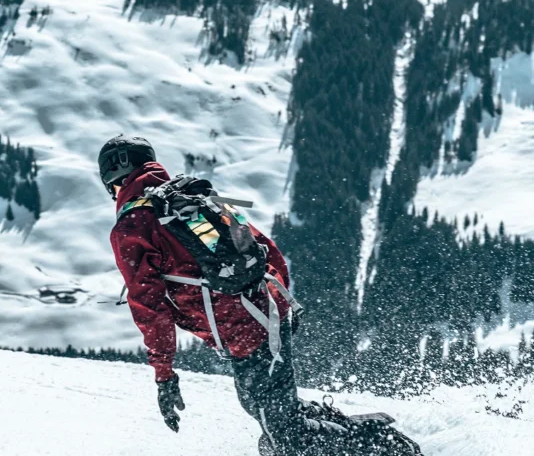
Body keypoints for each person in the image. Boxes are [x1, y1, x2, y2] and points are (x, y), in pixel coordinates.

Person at [99, 135, 419, 455]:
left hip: (246, 328)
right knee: (267, 412)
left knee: (286, 437)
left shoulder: (134, 226)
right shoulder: (192, 196)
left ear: (113, 178)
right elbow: (264, 248)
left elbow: (149, 308)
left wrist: (164, 376)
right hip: (265, 311)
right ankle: (351, 433)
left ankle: (384, 445)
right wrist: (281, 301)